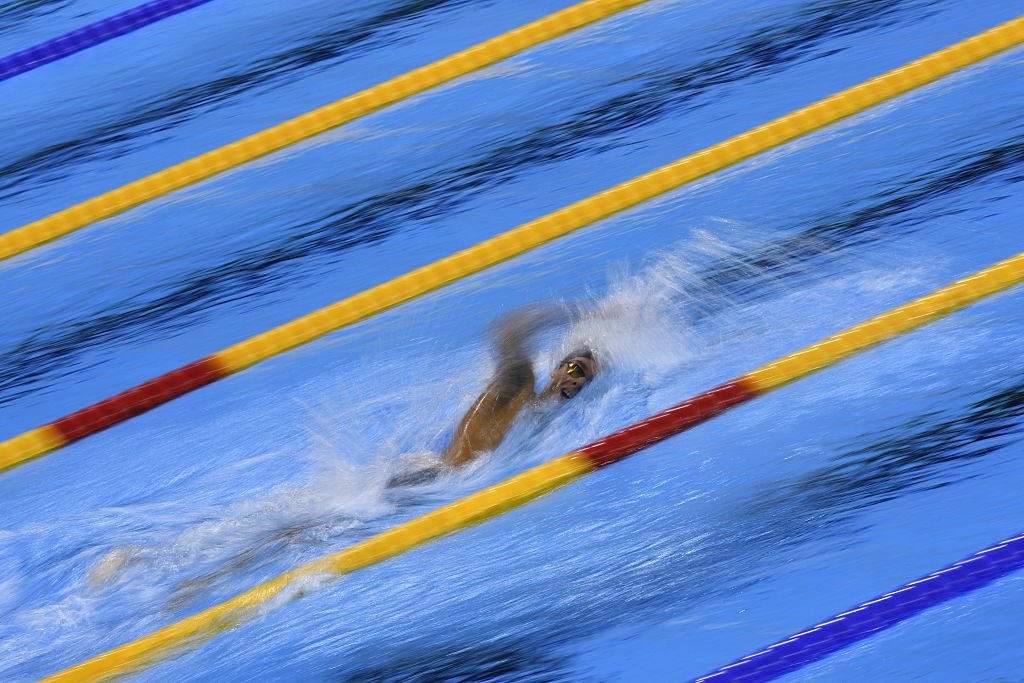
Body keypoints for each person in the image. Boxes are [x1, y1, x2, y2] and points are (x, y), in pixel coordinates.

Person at [388, 306, 598, 487]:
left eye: (585, 380)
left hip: (447, 482)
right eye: (576, 370)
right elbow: (509, 334)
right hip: (432, 480)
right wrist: (569, 312)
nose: (578, 381)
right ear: (556, 370)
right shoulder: (521, 385)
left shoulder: (542, 417)